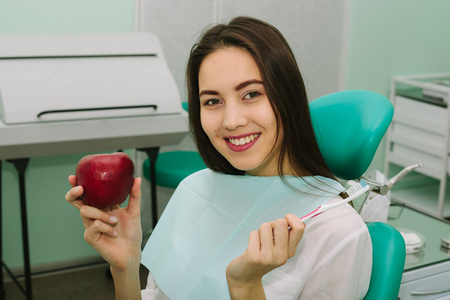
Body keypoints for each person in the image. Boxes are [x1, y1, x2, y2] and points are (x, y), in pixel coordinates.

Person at [66, 16, 372, 300]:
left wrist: (246, 287)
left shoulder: (336, 230)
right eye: (212, 101)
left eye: (251, 94)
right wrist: (126, 268)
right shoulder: (195, 191)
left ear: (287, 96)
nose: (231, 121)